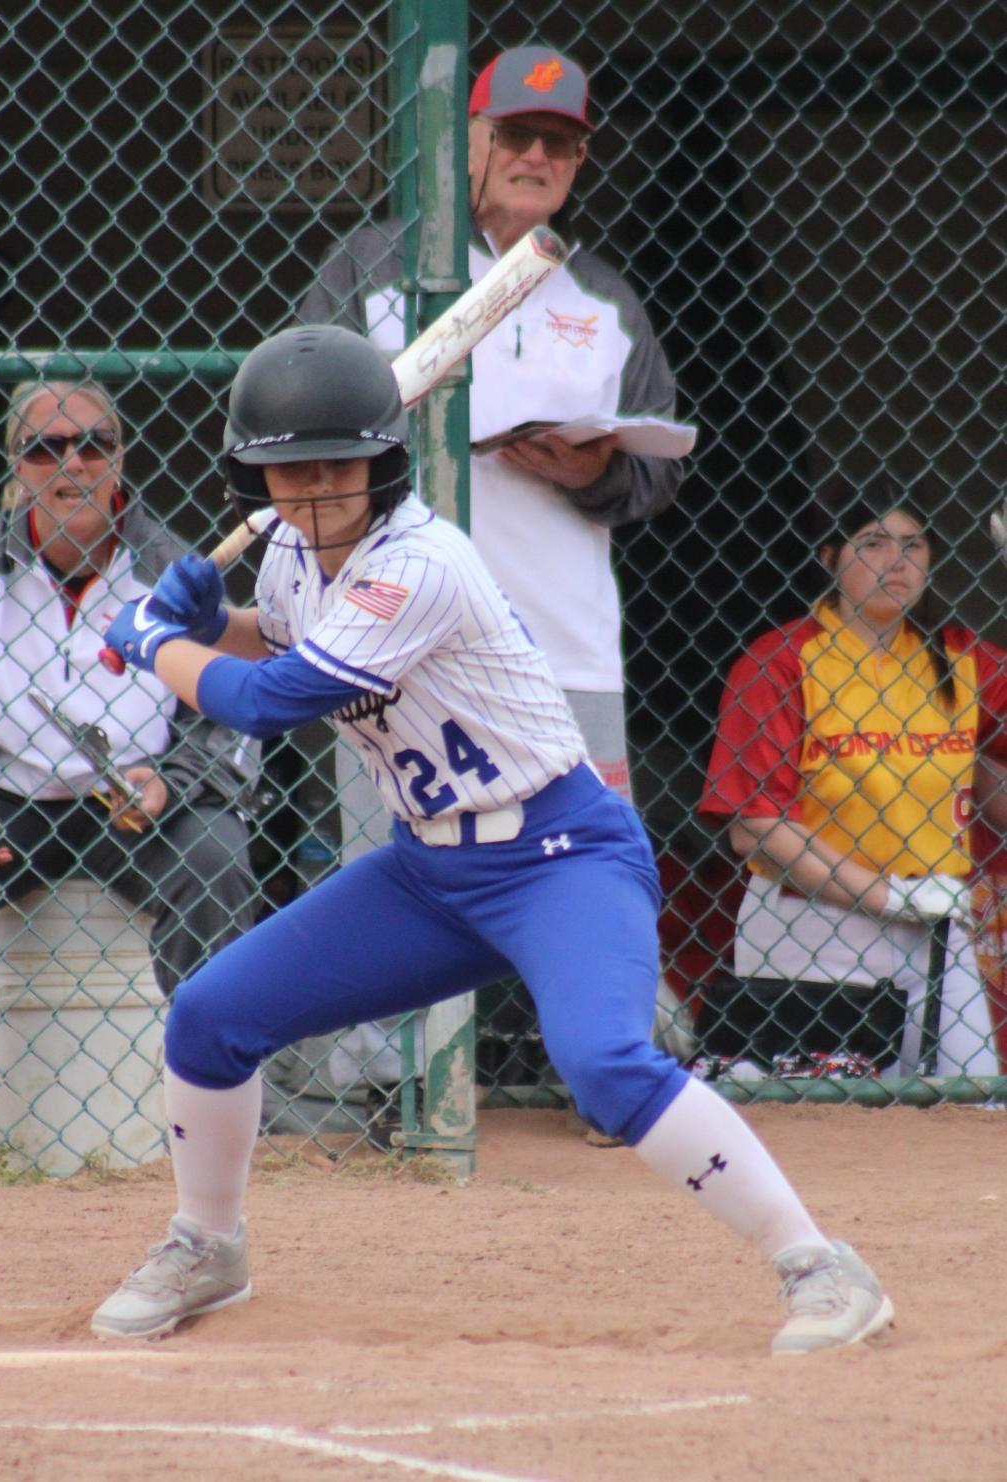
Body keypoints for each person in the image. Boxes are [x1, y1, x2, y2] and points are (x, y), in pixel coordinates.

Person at [89, 325, 892, 1356]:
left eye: (339, 465)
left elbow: (269, 701)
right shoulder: (292, 553)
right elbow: (280, 642)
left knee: (603, 1062)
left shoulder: (419, 562)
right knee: (210, 1016)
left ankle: (820, 1265)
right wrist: (214, 622)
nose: (315, 489)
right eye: (290, 470)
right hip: (430, 870)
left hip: (562, 854)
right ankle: (208, 1245)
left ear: (385, 462)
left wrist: (158, 642)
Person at [299, 44, 684, 1112]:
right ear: (463, 142)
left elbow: (658, 472)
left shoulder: (603, 296)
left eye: (557, 144)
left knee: (590, 862)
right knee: (391, 850)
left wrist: (596, 468)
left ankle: (615, 1074)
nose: (533, 157)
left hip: (562, 632)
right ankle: (388, 1082)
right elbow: (304, 425)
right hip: (401, 634)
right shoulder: (374, 267)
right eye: (512, 135)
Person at [0, 379, 258, 1165]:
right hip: (10, 802)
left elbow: (219, 715)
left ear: (122, 458)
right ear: (17, 466)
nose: (72, 462)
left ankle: (216, 1115)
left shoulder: (171, 570)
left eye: (93, 443)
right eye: (45, 447)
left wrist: (166, 784)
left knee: (216, 857)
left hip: (140, 800)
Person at [699, 481, 1005, 1079]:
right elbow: (756, 829)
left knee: (972, 1111)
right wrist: (888, 896)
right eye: (873, 543)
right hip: (811, 922)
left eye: (913, 545)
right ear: (829, 558)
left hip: (938, 925)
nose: (897, 560)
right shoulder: (780, 661)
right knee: (823, 1122)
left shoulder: (964, 658)